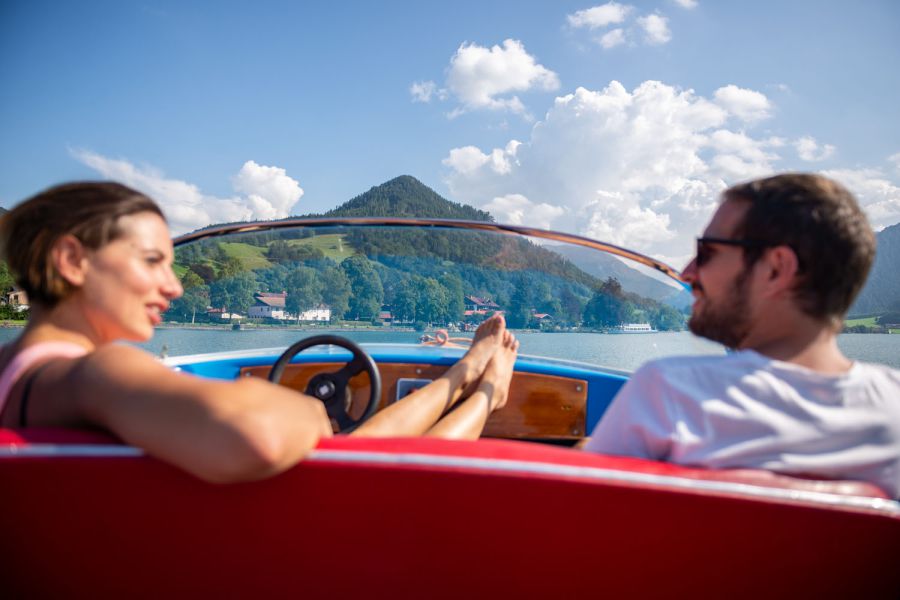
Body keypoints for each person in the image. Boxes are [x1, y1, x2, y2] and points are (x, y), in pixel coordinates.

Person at [0, 181, 519, 483]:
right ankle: (482, 391)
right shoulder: (92, 372)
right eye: (153, 261)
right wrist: (315, 411)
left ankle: (468, 375)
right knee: (362, 460)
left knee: (355, 451)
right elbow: (257, 434)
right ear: (72, 260)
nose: (172, 287)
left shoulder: (19, 376)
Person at [583, 173, 900, 497]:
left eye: (707, 253)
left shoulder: (669, 392)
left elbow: (577, 519)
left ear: (776, 269)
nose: (687, 272)